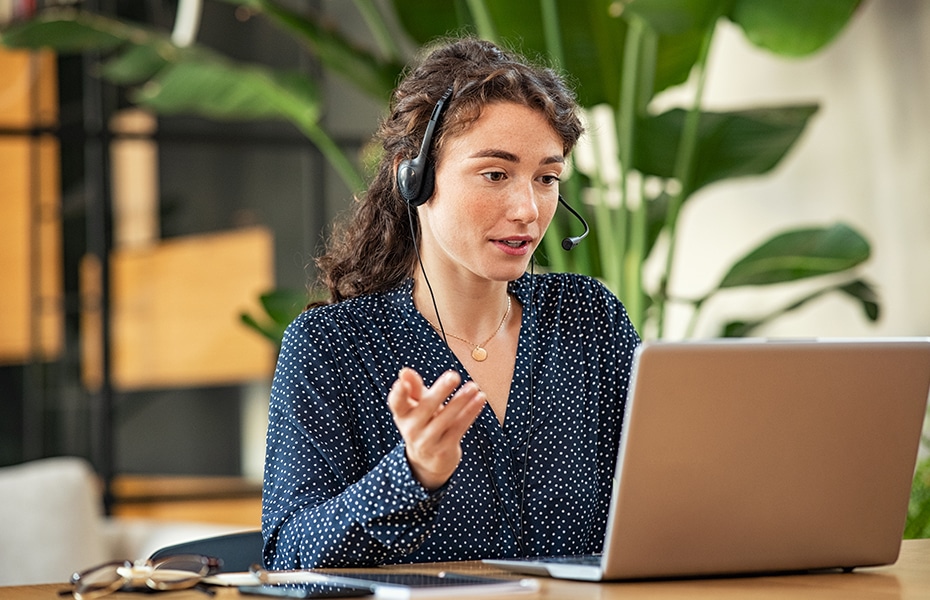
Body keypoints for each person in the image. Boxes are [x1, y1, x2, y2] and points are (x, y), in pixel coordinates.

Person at [261, 36, 641, 570]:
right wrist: (413, 475)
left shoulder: (588, 318)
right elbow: (288, 554)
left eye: (547, 178)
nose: (528, 209)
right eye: (495, 174)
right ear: (412, 176)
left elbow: (663, 497)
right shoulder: (332, 347)